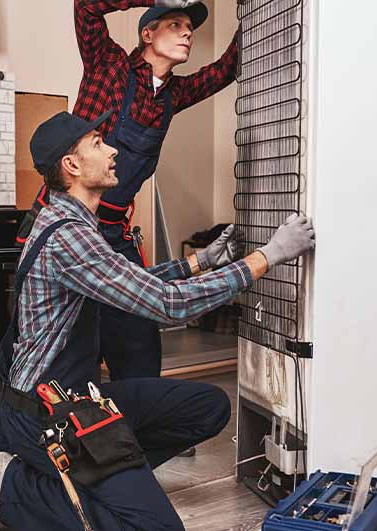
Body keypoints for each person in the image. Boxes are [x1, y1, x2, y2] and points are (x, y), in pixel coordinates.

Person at [0, 111, 315, 530]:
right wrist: (268, 256)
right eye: (97, 143)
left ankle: (103, 480)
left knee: (208, 407)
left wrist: (199, 262)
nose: (112, 150)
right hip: (44, 415)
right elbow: (167, 305)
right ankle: (8, 478)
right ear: (71, 166)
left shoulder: (71, 223)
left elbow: (129, 285)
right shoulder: (69, 236)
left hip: (81, 399)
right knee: (153, 528)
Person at [18, 0, 244, 387]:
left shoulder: (173, 95)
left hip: (114, 233)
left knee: (138, 339)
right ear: (148, 33)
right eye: (175, 23)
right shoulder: (110, 66)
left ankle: (145, 422)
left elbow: (226, 69)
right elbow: (86, 7)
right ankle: (59, 431)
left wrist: (257, 14)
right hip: (68, 224)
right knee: (68, 342)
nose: (188, 32)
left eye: (190, 27)